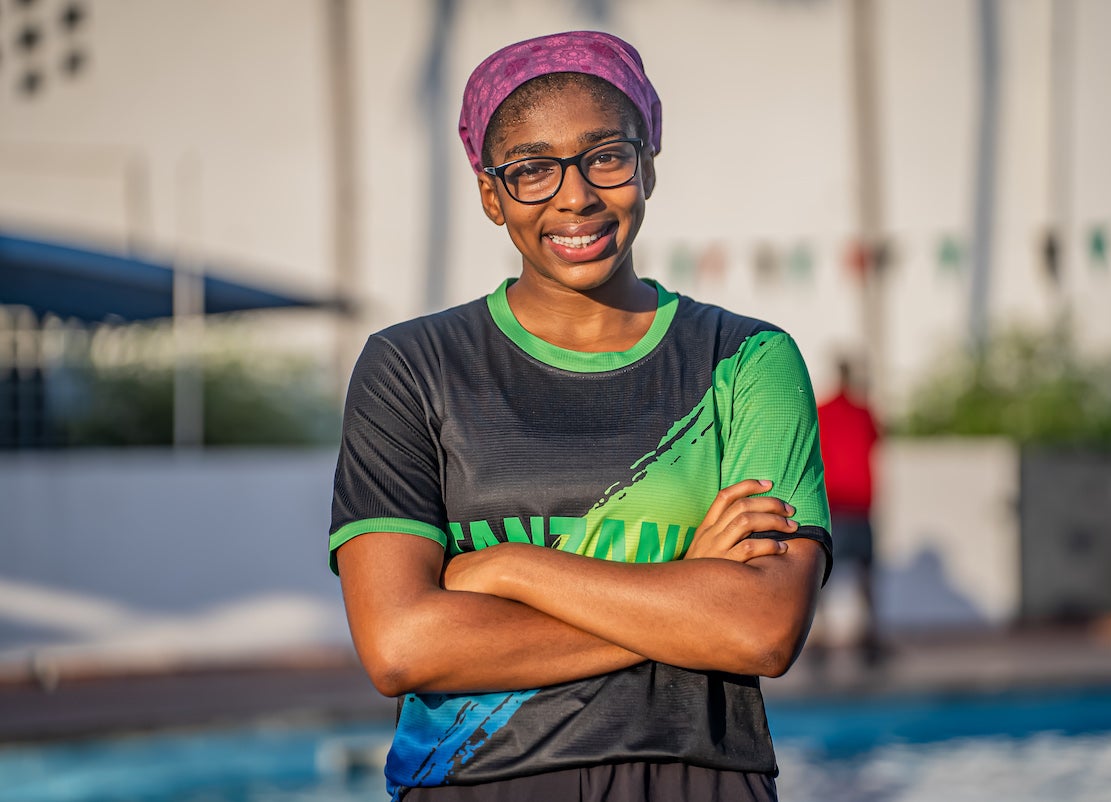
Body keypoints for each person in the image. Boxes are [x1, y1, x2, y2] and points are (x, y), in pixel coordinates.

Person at [328, 31, 832, 802]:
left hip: (696, 779)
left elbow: (759, 631)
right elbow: (400, 646)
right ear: (491, 195)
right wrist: (682, 590)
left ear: (648, 164)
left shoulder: (745, 361)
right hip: (474, 783)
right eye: (531, 170)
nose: (575, 196)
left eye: (606, 155)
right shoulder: (412, 368)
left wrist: (507, 570)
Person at [815, 357, 883, 665]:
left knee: (826, 569)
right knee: (863, 571)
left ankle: (820, 633)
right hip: (857, 501)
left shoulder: (823, 411)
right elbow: (877, 440)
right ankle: (868, 632)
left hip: (836, 502)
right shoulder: (863, 412)